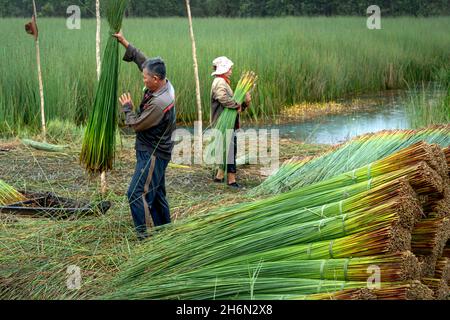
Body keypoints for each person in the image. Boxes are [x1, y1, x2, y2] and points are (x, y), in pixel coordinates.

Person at [113, 31, 176, 240]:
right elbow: (143, 62)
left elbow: (136, 124)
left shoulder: (159, 103)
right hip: (157, 150)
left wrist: (127, 108)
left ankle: (145, 236)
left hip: (153, 153)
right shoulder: (165, 83)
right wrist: (124, 42)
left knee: (136, 193)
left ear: (155, 79)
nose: (144, 78)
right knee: (156, 192)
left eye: (145, 78)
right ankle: (165, 231)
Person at [210, 56, 252, 189]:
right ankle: (231, 180)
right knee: (230, 150)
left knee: (226, 149)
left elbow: (232, 104)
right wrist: (237, 104)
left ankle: (219, 176)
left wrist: (244, 102)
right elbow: (222, 98)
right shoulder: (219, 82)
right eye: (229, 68)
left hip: (228, 122)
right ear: (223, 69)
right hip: (223, 122)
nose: (231, 71)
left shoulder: (224, 82)